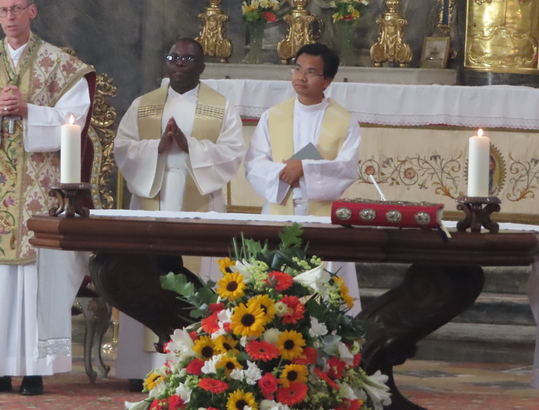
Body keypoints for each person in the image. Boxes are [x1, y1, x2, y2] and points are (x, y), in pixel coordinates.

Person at [0, 0, 93, 396]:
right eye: (3, 11)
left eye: (17, 9)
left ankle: (34, 370)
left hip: (39, 188)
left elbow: (75, 117)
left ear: (32, 11)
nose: (9, 17)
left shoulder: (60, 65)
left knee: (35, 280)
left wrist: (29, 110)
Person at [113, 38, 246, 385]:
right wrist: (157, 146)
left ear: (202, 66)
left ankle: (197, 363)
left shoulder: (221, 107)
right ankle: (144, 368)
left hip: (198, 198)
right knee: (148, 275)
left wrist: (192, 148)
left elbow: (233, 152)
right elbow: (122, 147)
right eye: (174, 57)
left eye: (189, 58)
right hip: (152, 194)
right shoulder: (144, 105)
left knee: (195, 275)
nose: (180, 63)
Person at [244, 42, 362, 313]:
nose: (301, 77)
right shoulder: (273, 116)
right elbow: (253, 163)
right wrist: (284, 173)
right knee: (272, 296)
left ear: (327, 80)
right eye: (297, 69)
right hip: (279, 209)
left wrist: (305, 170)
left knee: (322, 297)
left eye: (310, 72)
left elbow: (346, 168)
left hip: (322, 216)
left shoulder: (345, 121)